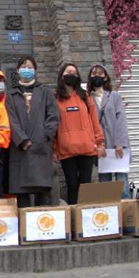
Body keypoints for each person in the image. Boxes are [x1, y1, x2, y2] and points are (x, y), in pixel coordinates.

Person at [6, 56, 60, 207]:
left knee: (42, 193)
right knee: (22, 195)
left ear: (35, 70)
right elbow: (10, 119)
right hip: (20, 148)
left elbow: (53, 116)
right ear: (18, 70)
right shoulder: (11, 95)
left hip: (40, 146)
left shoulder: (45, 92)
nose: (26, 70)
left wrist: (45, 135)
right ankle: (24, 221)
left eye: (30, 67)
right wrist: (22, 139)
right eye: (23, 67)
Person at [54, 63, 105, 205]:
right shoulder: (55, 98)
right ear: (62, 75)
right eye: (68, 72)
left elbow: (94, 121)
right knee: (71, 186)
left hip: (87, 149)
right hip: (66, 150)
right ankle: (73, 217)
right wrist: (53, 149)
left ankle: (85, 216)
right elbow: (53, 125)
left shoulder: (85, 96)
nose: (71, 75)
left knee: (85, 186)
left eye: (74, 73)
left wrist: (99, 142)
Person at [88, 64, 132, 199]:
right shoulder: (87, 98)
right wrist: (95, 145)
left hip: (117, 145)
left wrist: (119, 143)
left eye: (100, 73)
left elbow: (121, 120)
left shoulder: (114, 96)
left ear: (106, 77)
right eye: (94, 73)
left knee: (122, 184)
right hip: (100, 147)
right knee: (105, 186)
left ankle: (126, 209)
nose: (97, 76)